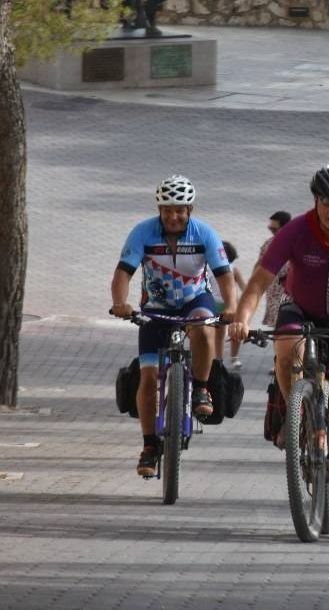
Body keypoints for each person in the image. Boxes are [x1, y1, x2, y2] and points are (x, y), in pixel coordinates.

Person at [228, 166, 329, 511]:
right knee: (286, 351)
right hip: (299, 310)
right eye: (328, 202)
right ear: (315, 201)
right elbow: (258, 283)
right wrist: (242, 320)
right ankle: (299, 418)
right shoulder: (294, 232)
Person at [110, 175, 237, 477]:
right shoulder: (143, 232)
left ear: (190, 209)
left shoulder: (204, 233)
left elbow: (224, 276)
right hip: (156, 305)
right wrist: (120, 302)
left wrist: (231, 306)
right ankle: (149, 445)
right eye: (167, 209)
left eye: (179, 209)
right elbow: (123, 273)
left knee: (203, 330)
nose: (173, 216)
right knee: (149, 375)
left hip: (195, 299)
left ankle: (202, 389)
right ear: (160, 208)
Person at [253, 210, 292, 348]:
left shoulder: (295, 243)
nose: (271, 232)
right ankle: (278, 360)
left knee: (288, 327)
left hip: (291, 293)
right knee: (278, 327)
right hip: (274, 293)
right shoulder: (268, 244)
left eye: (274, 229)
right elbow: (258, 266)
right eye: (270, 228)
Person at [207, 241, 247, 368]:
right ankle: (228, 359)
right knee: (231, 332)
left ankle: (220, 359)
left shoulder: (211, 268)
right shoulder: (232, 269)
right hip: (229, 306)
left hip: (218, 306)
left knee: (222, 334)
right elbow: (244, 288)